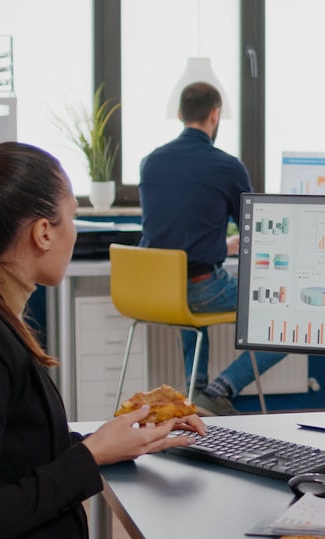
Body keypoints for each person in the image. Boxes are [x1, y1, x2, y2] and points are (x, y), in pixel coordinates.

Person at [0, 142, 206, 539]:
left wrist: (121, 440)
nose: (74, 232)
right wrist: (92, 455)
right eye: (72, 218)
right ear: (42, 232)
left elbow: (12, 457)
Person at [139, 81, 286, 416]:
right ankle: (221, 388)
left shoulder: (150, 162)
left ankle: (197, 391)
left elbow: (175, 236)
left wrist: (222, 244)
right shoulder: (226, 165)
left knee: (194, 288)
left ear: (180, 114)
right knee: (282, 315)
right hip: (199, 287)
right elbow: (254, 229)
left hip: (158, 288)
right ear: (215, 114)